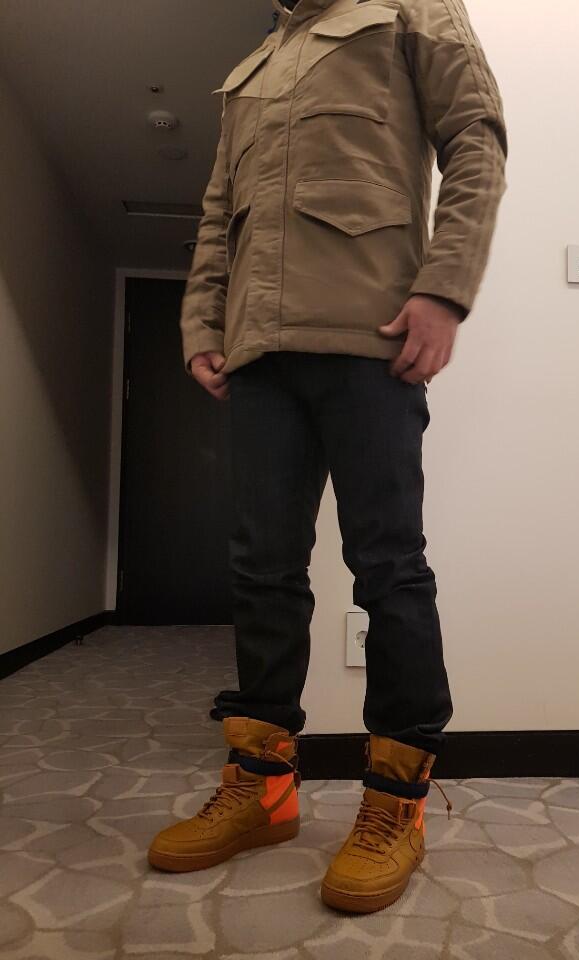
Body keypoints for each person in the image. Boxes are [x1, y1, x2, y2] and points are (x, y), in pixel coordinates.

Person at [147, 0, 507, 914]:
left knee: (388, 564)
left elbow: (476, 138)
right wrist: (202, 322)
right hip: (258, 353)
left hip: (370, 339)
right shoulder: (255, 64)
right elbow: (218, 212)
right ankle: (262, 790)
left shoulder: (411, 9)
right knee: (260, 568)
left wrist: (445, 289)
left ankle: (396, 803)